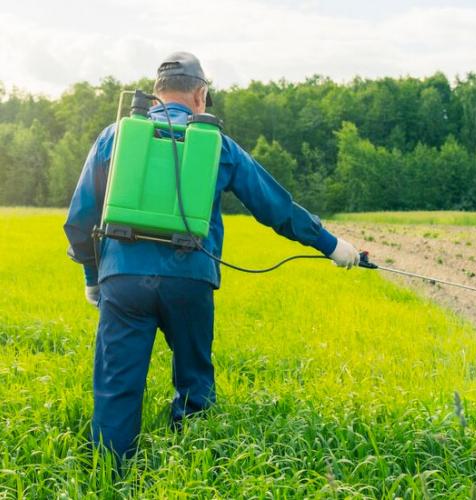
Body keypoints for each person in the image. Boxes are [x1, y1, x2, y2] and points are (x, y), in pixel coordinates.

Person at [64, 51, 360, 458]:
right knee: (194, 383)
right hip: (190, 280)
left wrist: (93, 279)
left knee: (117, 387)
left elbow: (79, 220)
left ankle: (112, 477)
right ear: (201, 95)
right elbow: (275, 207)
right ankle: (193, 468)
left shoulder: (116, 135)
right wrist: (332, 245)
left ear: (155, 96)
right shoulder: (217, 143)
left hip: (125, 282)